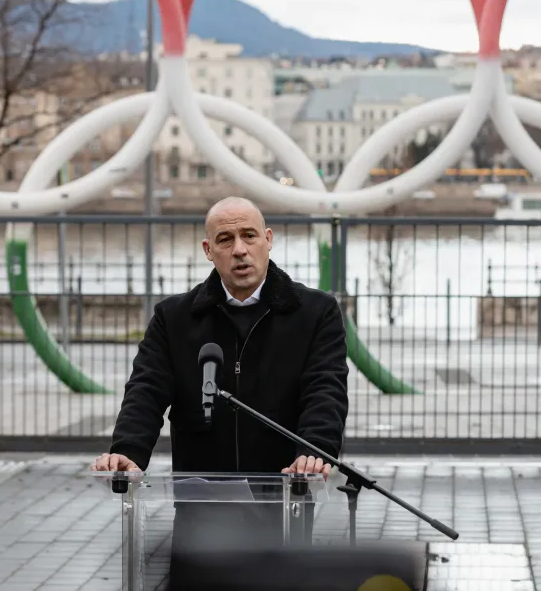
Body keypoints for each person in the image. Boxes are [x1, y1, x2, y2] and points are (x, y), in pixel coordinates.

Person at [92, 196, 350, 556]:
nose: (240, 250)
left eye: (249, 236)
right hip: (201, 507)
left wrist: (313, 451)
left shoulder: (315, 312)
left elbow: (326, 388)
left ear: (268, 239)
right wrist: (128, 451)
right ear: (208, 250)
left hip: (284, 498)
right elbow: (146, 390)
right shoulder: (174, 318)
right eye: (226, 240)